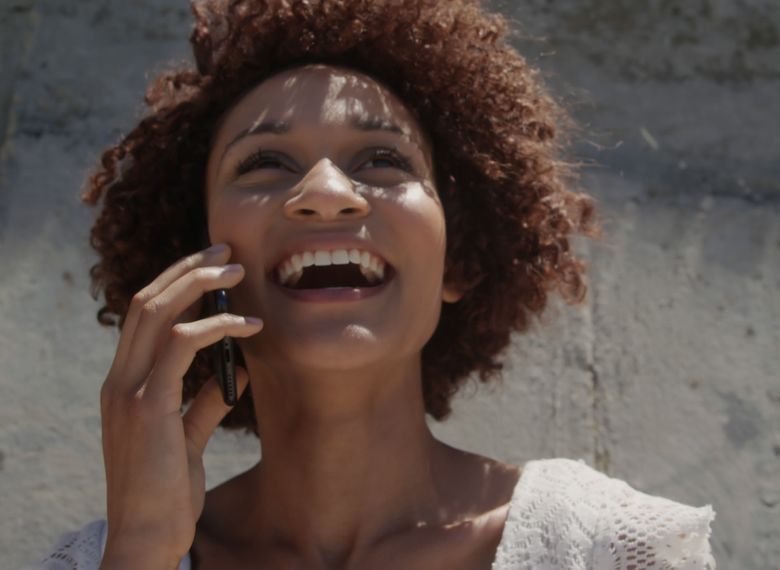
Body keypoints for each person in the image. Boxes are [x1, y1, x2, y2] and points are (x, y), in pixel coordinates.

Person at [27, 1, 716, 568]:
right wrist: (141, 553)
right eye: (263, 163)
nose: (325, 194)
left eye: (383, 160)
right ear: (190, 262)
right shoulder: (100, 561)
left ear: (460, 261)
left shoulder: (612, 550)